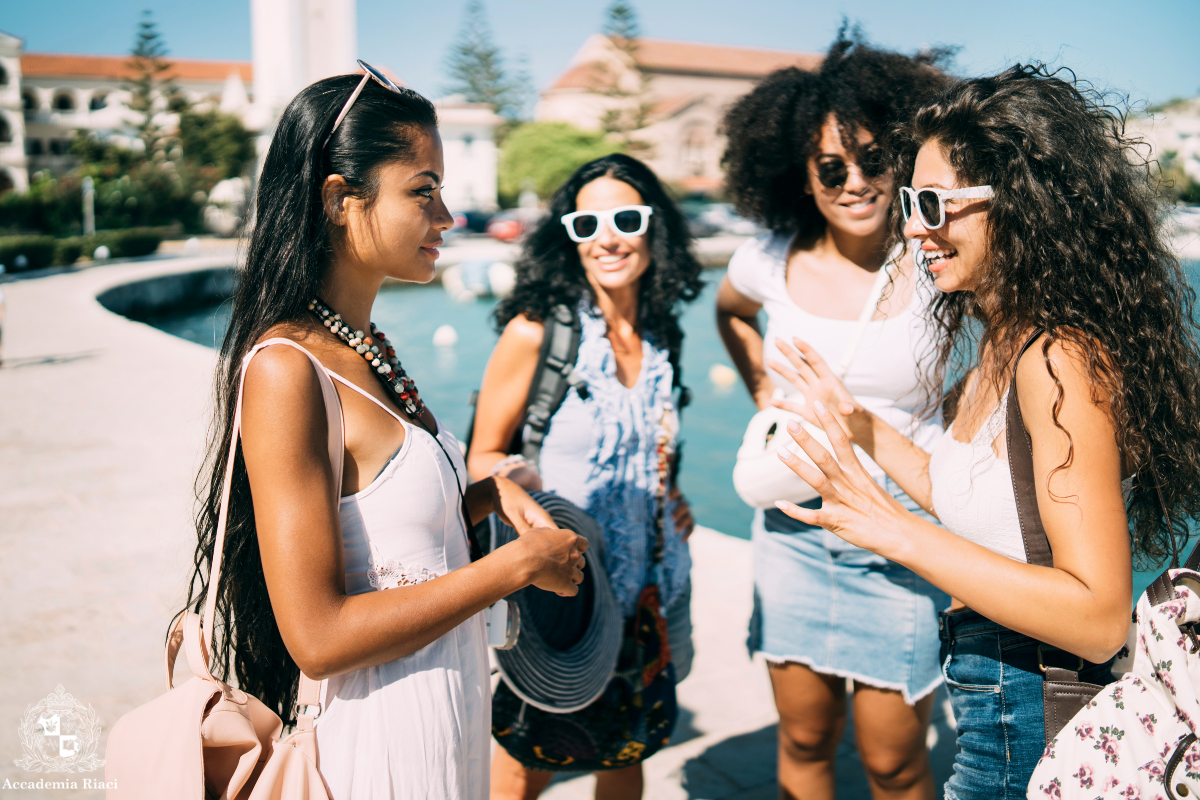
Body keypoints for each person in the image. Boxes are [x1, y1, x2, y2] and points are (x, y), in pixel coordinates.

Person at [770, 65, 1200, 800]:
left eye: (933, 203)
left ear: (1023, 204)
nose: (911, 227)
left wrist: (891, 530)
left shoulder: (1060, 359)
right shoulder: (1002, 342)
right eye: (911, 201)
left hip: (1042, 726)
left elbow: (1097, 619)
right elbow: (968, 494)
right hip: (994, 714)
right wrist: (855, 421)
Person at [182, 68, 588, 800]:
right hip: (378, 740)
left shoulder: (366, 345)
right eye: (422, 190)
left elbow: (390, 543)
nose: (448, 216)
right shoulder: (288, 369)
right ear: (341, 198)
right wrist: (515, 567)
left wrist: (489, 498)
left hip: (449, 709)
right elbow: (320, 636)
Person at [716, 32, 952, 800]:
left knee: (893, 763)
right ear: (800, 175)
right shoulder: (767, 259)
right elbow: (732, 313)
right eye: (830, 167)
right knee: (807, 740)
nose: (854, 181)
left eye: (874, 159)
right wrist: (760, 388)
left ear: (904, 157)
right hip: (793, 534)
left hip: (903, 540)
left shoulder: (938, 257)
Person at [469, 153, 704, 800]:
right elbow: (482, 457)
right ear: (568, 235)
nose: (607, 238)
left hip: (648, 589)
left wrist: (673, 495)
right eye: (587, 223)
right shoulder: (537, 332)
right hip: (564, 593)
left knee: (625, 755)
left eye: (625, 218)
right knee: (524, 768)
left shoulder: (662, 335)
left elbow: (650, 443)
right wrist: (533, 517)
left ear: (654, 228)